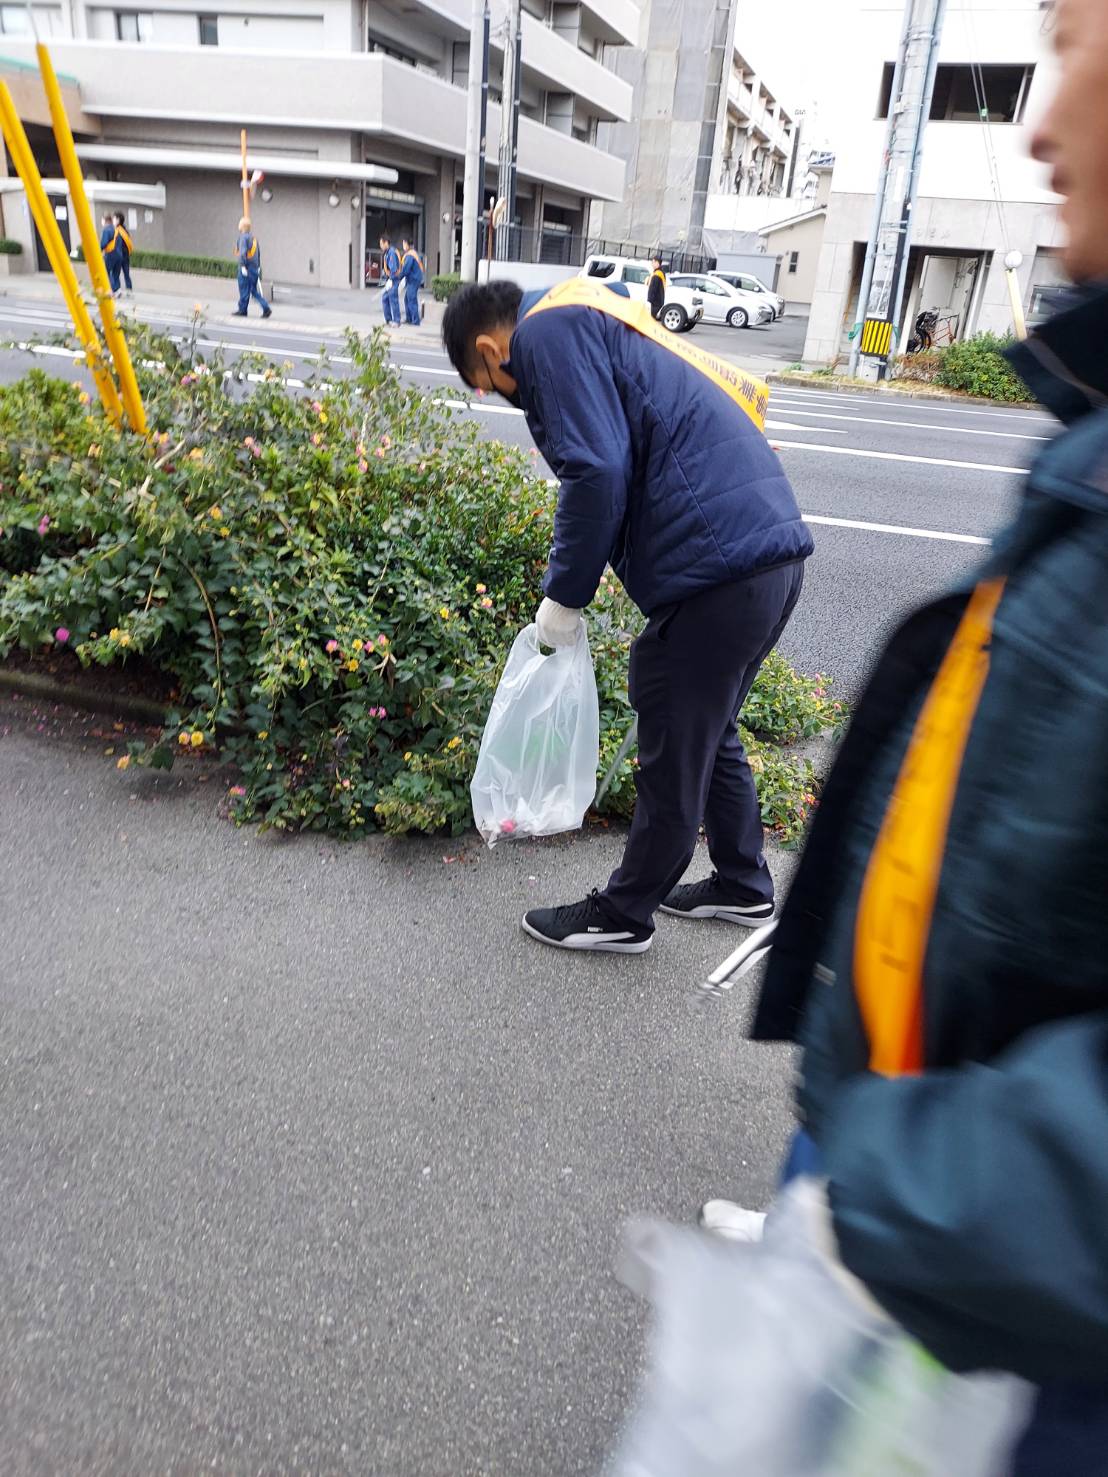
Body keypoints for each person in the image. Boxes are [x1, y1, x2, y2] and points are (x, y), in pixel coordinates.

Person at [703, 0, 1108, 1465]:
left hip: (999, 1300)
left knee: (690, 728)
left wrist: (885, 1198)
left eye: (1074, 45)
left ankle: (696, 882)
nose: (1038, 127)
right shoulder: (1090, 428)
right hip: (922, 1178)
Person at [442, 276, 812, 954]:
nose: (497, 394)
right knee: (709, 729)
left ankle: (624, 912)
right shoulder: (592, 312)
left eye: (485, 383)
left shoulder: (545, 332)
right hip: (769, 556)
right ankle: (743, 884)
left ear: (490, 350)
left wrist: (564, 596)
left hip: (721, 566)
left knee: (672, 731)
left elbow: (596, 469)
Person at [232, 217, 271, 319]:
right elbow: (258, 253)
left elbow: (242, 253)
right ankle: (266, 307)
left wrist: (242, 266)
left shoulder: (243, 238)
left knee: (244, 289)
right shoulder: (254, 238)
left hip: (246, 268)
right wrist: (258, 266)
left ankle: (242, 310)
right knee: (253, 290)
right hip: (254, 268)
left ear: (241, 226)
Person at [399, 237, 424, 326]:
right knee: (407, 298)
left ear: (407, 244)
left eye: (404, 244)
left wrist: (398, 277)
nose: (403, 246)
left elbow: (406, 269)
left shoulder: (410, 255)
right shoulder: (412, 253)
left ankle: (415, 320)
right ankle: (409, 318)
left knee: (411, 298)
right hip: (413, 278)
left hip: (414, 279)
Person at [379, 234, 401, 327]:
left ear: (386, 243)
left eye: (381, 243)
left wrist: (391, 280)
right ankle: (388, 319)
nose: (380, 246)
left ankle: (397, 321)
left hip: (393, 279)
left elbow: (393, 268)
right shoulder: (387, 252)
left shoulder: (391, 252)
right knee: (385, 298)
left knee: (393, 299)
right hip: (389, 279)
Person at [99, 213, 121, 296]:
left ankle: (111, 290)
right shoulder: (116, 229)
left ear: (105, 220)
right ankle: (118, 290)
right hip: (119, 254)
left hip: (110, 254)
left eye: (102, 220)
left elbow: (104, 243)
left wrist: (99, 250)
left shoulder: (106, 230)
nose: (102, 222)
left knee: (106, 272)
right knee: (116, 273)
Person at [112, 212, 134, 296]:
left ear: (118, 220)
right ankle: (129, 290)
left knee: (116, 273)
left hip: (119, 254)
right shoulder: (125, 230)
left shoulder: (117, 230)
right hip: (126, 255)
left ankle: (117, 290)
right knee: (126, 273)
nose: (113, 220)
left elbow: (116, 244)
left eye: (114, 218)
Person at [646, 254, 666, 321]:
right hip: (658, 301)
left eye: (653, 262)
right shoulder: (660, 272)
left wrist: (649, 300)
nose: (652, 264)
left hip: (655, 302)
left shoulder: (657, 274)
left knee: (651, 319)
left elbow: (653, 288)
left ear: (657, 263)